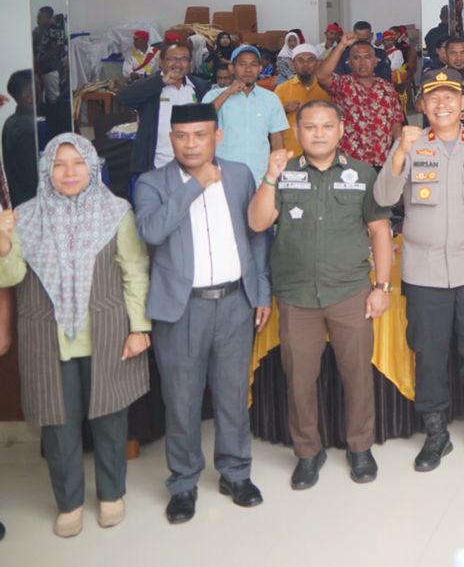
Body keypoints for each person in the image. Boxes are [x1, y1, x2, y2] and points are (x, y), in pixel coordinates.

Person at [0, 135, 151, 537]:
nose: (69, 172)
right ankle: (69, 503)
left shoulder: (116, 211)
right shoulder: (26, 216)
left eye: (78, 163)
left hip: (106, 332)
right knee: (58, 424)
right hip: (47, 339)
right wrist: (3, 242)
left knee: (110, 419)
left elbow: (135, 270)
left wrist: (139, 328)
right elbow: (11, 276)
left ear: (92, 166)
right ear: (46, 169)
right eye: (59, 164)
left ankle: (111, 495)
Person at [133, 103, 272, 524]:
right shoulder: (152, 182)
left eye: (200, 135)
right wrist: (195, 185)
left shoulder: (240, 175)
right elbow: (151, 230)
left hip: (234, 302)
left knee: (233, 395)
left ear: (217, 137)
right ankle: (183, 482)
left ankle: (236, 473)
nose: (190, 144)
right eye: (181, 136)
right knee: (181, 400)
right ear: (171, 138)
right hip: (181, 308)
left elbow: (257, 235)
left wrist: (261, 290)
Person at [249, 101, 393, 489]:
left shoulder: (363, 174)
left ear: (341, 130)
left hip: (349, 292)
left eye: (327, 126)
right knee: (299, 380)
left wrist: (382, 287)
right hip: (296, 296)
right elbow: (258, 222)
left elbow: (380, 231)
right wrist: (270, 176)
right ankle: (308, 452)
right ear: (297, 132)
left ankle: (360, 447)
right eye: (310, 127)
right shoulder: (283, 173)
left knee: (357, 375)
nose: (318, 133)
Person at [374, 68, 464, 472]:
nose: (442, 104)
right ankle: (435, 434)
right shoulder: (410, 143)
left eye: (450, 96)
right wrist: (399, 153)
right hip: (424, 270)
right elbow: (383, 197)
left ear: (463, 103)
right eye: (433, 97)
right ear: (423, 105)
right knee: (429, 354)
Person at [117, 41, 211, 178]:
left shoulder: (200, 87)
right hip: (156, 167)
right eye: (172, 58)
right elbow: (124, 98)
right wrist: (160, 82)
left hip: (193, 167)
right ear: (161, 62)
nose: (178, 64)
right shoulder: (150, 85)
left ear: (190, 63)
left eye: (184, 59)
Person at [202, 45, 289, 184]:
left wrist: (278, 172)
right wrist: (228, 92)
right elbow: (203, 120)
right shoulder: (214, 95)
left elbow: (277, 139)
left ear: (260, 68)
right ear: (232, 68)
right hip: (223, 177)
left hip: (260, 175)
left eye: (253, 65)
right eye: (242, 64)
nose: (248, 69)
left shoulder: (271, 99)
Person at [317, 34, 405, 170]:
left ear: (375, 61)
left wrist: (400, 154)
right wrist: (341, 45)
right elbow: (322, 76)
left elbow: (396, 124)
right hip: (350, 162)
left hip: (382, 161)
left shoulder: (387, 88)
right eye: (357, 58)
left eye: (367, 57)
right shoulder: (342, 84)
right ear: (349, 62)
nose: (362, 62)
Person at [274, 44, 331, 159]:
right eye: (300, 60)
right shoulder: (281, 90)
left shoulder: (328, 89)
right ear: (292, 63)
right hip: (291, 155)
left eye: (310, 60)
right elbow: (272, 124)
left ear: (317, 63)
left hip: (322, 154)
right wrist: (284, 110)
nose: (305, 64)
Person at [4, 71, 39, 204]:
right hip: (31, 203)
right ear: (28, 96)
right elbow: (33, 177)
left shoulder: (10, 122)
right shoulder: (27, 129)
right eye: (38, 86)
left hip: (19, 200)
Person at [32, 7, 67, 106]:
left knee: (53, 100)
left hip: (51, 68)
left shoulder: (58, 31)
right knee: (38, 100)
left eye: (40, 17)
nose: (37, 20)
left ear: (48, 18)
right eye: (37, 17)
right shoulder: (36, 31)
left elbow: (57, 49)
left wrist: (39, 60)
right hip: (38, 70)